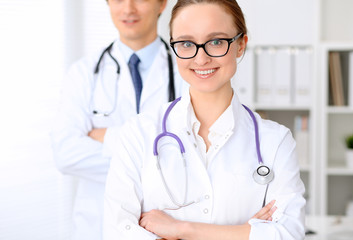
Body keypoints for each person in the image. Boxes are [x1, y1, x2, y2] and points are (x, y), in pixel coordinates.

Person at [103, 0, 306, 239]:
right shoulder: (139, 133)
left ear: (241, 45)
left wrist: (183, 229)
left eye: (217, 41)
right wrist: (245, 232)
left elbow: (289, 234)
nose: (201, 59)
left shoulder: (276, 141)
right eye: (187, 44)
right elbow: (118, 233)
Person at [50, 0, 187, 239]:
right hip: (97, 228)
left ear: (162, 3)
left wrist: (106, 136)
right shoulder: (83, 74)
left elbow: (195, 156)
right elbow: (65, 154)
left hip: (166, 228)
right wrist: (156, 151)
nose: (128, 9)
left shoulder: (188, 71)